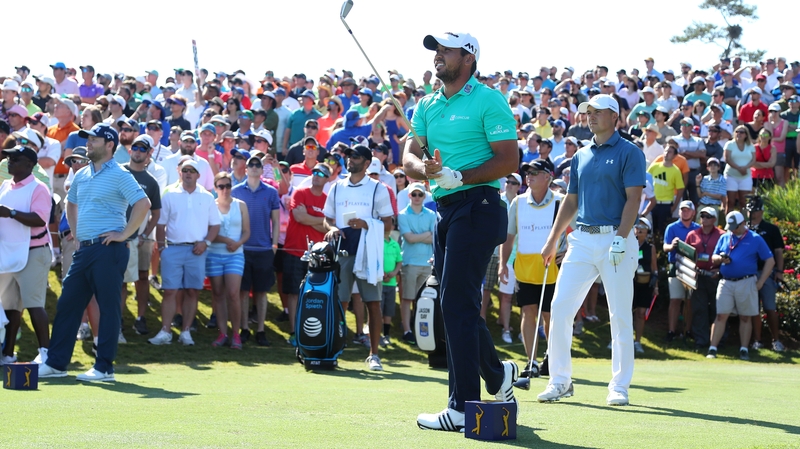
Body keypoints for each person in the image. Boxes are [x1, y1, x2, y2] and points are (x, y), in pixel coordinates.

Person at [404, 32, 519, 431]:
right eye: (436, 49)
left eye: (446, 49)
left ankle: (462, 406)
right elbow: (408, 158)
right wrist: (430, 171)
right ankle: (497, 373)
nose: (438, 54)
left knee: (453, 301)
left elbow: (508, 160)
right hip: (446, 212)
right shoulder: (427, 104)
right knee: (457, 304)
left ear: (468, 58)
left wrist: (459, 175)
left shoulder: (488, 99)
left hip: (481, 206)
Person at [536, 94, 645, 406]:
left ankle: (619, 386)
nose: (591, 117)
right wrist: (553, 238)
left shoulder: (629, 152)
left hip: (615, 237)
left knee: (620, 314)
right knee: (559, 308)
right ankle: (560, 380)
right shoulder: (580, 155)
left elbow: (633, 199)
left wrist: (622, 238)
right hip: (581, 239)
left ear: (615, 117)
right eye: (588, 112)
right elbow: (571, 201)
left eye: (598, 112)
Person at [39, 124, 150, 381]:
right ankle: (56, 363)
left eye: (94, 140)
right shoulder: (81, 174)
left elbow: (143, 204)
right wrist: (77, 235)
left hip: (109, 249)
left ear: (109, 144)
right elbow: (70, 204)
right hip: (85, 250)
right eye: (87, 139)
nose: (88, 143)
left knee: (107, 308)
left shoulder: (120, 174)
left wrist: (124, 234)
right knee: (68, 304)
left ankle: (104, 367)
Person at [323, 144, 393, 370]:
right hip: (342, 250)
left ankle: (374, 354)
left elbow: (389, 225)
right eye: (348, 156)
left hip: (368, 251)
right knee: (339, 303)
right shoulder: (336, 187)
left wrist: (366, 224)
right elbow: (328, 219)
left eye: (354, 156)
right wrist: (332, 228)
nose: (349, 160)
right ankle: (333, 350)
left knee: (373, 302)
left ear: (366, 162)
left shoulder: (377, 188)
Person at [500, 159, 565, 377]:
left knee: (549, 314)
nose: (530, 176)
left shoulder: (560, 201)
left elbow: (574, 233)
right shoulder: (517, 202)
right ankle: (531, 361)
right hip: (526, 267)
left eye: (536, 172)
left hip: (552, 267)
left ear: (548, 177)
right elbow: (509, 237)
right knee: (528, 311)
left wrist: (568, 251)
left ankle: (550, 357)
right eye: (528, 173)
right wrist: (503, 264)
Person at [149, 159, 220, 346]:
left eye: (192, 171)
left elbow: (215, 225)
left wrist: (206, 243)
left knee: (192, 291)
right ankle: (165, 331)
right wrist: (163, 248)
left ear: (198, 175)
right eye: (185, 170)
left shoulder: (207, 196)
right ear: (180, 172)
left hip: (197, 250)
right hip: (173, 248)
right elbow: (161, 224)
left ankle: (186, 332)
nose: (188, 173)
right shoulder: (169, 194)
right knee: (170, 291)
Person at [0, 146, 52, 365]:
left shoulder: (39, 188)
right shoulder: (4, 185)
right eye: (9, 158)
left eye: (16, 159)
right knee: (11, 307)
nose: (10, 162)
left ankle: (47, 354)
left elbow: (40, 219)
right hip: (9, 252)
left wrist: (10, 213)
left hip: (34, 251)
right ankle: (8, 354)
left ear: (30, 165)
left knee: (33, 304)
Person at [708, 211, 774, 361]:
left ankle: (744, 349)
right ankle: (712, 349)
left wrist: (761, 282)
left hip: (746, 281)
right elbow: (714, 256)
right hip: (726, 281)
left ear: (743, 223)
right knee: (720, 315)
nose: (732, 230)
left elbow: (770, 260)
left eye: (735, 227)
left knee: (745, 317)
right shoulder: (725, 237)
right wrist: (720, 259)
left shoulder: (755, 238)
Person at [231, 154, 280, 346]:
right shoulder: (235, 191)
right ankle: (244, 328)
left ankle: (260, 330)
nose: (253, 167)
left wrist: (274, 246)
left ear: (261, 170)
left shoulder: (271, 192)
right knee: (242, 292)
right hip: (241, 249)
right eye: (250, 165)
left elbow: (276, 221)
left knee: (261, 292)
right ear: (246, 169)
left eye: (257, 165)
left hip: (263, 249)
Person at [283, 163, 330, 347]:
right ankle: (294, 332)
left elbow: (328, 225)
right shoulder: (300, 193)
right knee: (294, 293)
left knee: (314, 295)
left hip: (316, 255)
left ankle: (311, 332)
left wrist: (311, 219)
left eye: (321, 173)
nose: (317, 175)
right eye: (315, 172)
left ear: (327, 179)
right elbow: (299, 217)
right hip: (294, 250)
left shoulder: (327, 200)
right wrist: (321, 221)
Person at [123, 136, 162, 340]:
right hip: (119, 237)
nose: (138, 151)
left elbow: (156, 213)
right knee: (120, 280)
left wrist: (145, 234)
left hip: (141, 239)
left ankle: (140, 318)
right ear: (130, 151)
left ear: (148, 155)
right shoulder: (118, 172)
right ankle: (118, 320)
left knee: (142, 276)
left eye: (143, 149)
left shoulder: (151, 182)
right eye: (135, 147)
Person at [207, 172, 250, 349]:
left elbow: (247, 231)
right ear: (215, 188)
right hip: (214, 253)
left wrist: (238, 243)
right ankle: (222, 332)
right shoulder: (211, 206)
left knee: (233, 294)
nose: (225, 190)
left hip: (235, 254)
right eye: (221, 186)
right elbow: (208, 233)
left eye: (228, 186)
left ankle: (236, 334)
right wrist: (226, 241)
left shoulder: (240, 205)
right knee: (218, 294)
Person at [744, 197, 786, 352]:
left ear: (761, 211)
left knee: (770, 307)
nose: (751, 213)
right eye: (749, 210)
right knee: (754, 308)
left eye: (754, 210)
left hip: (767, 272)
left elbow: (778, 252)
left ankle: (776, 340)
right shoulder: (744, 229)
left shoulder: (771, 229)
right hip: (749, 272)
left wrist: (780, 272)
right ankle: (757, 340)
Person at [397, 182, 436, 344]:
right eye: (414, 194)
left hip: (427, 263)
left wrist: (422, 236)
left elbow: (434, 238)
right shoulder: (402, 214)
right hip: (409, 262)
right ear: (409, 196)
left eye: (420, 194)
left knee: (424, 301)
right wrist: (427, 234)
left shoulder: (431, 215)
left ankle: (422, 330)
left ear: (424, 196)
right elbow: (409, 238)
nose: (417, 197)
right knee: (407, 298)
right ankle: (407, 330)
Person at [685, 207, 724, 349]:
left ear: (714, 219)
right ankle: (701, 340)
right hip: (698, 275)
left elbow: (727, 255)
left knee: (717, 309)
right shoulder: (692, 234)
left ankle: (718, 340)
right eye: (702, 216)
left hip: (715, 275)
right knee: (699, 309)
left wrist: (720, 270)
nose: (704, 219)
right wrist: (690, 270)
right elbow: (686, 255)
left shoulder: (722, 235)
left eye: (708, 216)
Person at [662, 201, 700, 342]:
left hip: (691, 267)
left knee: (689, 301)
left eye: (688, 210)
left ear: (693, 212)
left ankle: (687, 330)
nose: (685, 212)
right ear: (679, 212)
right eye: (682, 210)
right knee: (675, 300)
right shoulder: (671, 228)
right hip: (675, 265)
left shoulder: (698, 229)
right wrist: (672, 246)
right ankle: (672, 331)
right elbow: (665, 247)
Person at [647, 142, 685, 240]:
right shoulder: (654, 166)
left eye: (670, 152)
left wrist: (674, 206)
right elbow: (646, 181)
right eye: (666, 151)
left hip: (666, 204)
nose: (667, 153)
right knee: (651, 231)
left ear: (675, 156)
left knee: (662, 232)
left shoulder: (676, 171)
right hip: (652, 204)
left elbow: (680, 189)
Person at [631, 217, 657, 354]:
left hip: (645, 284)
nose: (639, 230)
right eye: (637, 227)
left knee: (641, 314)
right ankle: (621, 340)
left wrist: (656, 285)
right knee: (626, 312)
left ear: (647, 231)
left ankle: (637, 341)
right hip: (629, 282)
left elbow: (654, 268)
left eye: (643, 228)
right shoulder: (629, 243)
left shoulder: (650, 248)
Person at [723, 125, 756, 214]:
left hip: (745, 176)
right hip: (731, 176)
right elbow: (727, 159)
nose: (739, 134)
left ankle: (744, 224)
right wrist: (739, 168)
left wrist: (745, 168)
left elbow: (753, 159)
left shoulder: (750, 145)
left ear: (746, 134)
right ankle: (728, 224)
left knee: (744, 202)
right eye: (737, 131)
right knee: (730, 202)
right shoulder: (729, 144)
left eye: (741, 132)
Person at [696, 157, 727, 225]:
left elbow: (720, 196)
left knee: (713, 224)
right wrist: (697, 183)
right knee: (698, 223)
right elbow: (700, 195)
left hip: (714, 205)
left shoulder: (722, 180)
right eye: (710, 165)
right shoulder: (705, 179)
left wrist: (706, 193)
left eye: (715, 165)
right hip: (703, 204)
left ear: (718, 167)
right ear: (708, 168)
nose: (713, 167)